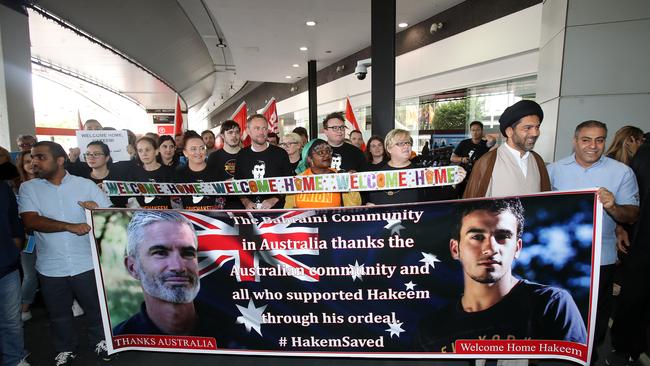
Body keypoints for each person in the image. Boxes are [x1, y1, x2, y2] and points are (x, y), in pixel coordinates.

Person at [418, 198, 587, 352]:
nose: (490, 249)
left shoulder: (551, 305)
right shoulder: (432, 329)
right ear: (455, 249)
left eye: (502, 237)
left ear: (518, 248)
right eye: (477, 237)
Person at [547, 121, 639, 363]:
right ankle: (558, 353)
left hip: (602, 256)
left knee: (596, 314)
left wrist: (613, 207)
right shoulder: (554, 170)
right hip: (560, 255)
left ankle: (588, 356)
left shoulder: (621, 172)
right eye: (586, 139)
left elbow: (632, 214)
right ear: (575, 141)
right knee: (559, 309)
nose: (593, 145)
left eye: (599, 140)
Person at [18, 141, 113, 365]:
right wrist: (69, 226)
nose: (34, 162)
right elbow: (31, 221)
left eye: (40, 157)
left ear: (60, 160)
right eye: (32, 158)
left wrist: (96, 211)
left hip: (85, 262)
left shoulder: (86, 185)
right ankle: (65, 348)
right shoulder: (29, 188)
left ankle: (101, 341)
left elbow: (110, 216)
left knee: (95, 308)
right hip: (51, 266)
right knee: (58, 313)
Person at [113, 211, 201, 335]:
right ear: (133, 267)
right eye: (160, 252)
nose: (178, 267)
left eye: (188, 253)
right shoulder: (121, 340)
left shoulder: (233, 334)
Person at [608, 132, 650, 366]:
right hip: (633, 240)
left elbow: (634, 208)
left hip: (634, 238)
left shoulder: (633, 165)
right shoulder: (622, 166)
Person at [463, 100, 550, 198]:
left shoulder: (538, 161)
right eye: (528, 128)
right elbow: (473, 208)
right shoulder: (487, 162)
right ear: (509, 131)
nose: (535, 133)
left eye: (537, 127)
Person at [366, 129, 462, 205]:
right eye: (400, 143)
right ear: (389, 148)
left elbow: (443, 199)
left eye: (408, 143)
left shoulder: (423, 173)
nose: (406, 146)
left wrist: (453, 180)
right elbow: (372, 203)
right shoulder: (377, 175)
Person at [234, 114, 293, 209]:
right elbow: (237, 185)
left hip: (277, 213)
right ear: (248, 131)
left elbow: (289, 183)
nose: (262, 132)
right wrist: (246, 202)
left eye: (264, 128)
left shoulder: (280, 153)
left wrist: (274, 199)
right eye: (257, 128)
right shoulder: (242, 155)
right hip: (250, 214)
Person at [1, 180, 29, 366]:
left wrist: (16, 243)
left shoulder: (2, 187)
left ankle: (15, 358)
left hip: (6, 266)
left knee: (11, 320)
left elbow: (13, 218)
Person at [285, 139, 361, 208]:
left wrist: (350, 184)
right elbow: (288, 210)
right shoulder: (298, 180)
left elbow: (354, 207)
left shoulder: (340, 176)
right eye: (320, 152)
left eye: (328, 151)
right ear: (309, 158)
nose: (327, 155)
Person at [15, 151, 38, 323]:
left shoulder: (50, 184)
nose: (31, 164)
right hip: (28, 238)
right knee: (30, 275)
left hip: (53, 236)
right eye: (27, 162)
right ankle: (23, 310)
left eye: (34, 160)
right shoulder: (15, 188)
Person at [175, 132, 223, 210]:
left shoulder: (217, 171)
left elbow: (221, 200)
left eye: (202, 148)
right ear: (185, 152)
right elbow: (176, 203)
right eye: (193, 149)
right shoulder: (178, 174)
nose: (198, 152)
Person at [207, 120, 243, 209]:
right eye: (230, 132)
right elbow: (209, 183)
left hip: (246, 204)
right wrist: (227, 183)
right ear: (222, 135)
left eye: (237, 132)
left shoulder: (247, 154)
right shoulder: (214, 157)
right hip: (222, 206)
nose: (234, 135)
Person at [129, 137, 173, 209]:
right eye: (140, 151)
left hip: (166, 216)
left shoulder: (169, 172)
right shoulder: (134, 173)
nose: (144, 154)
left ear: (156, 151)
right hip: (143, 216)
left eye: (147, 150)